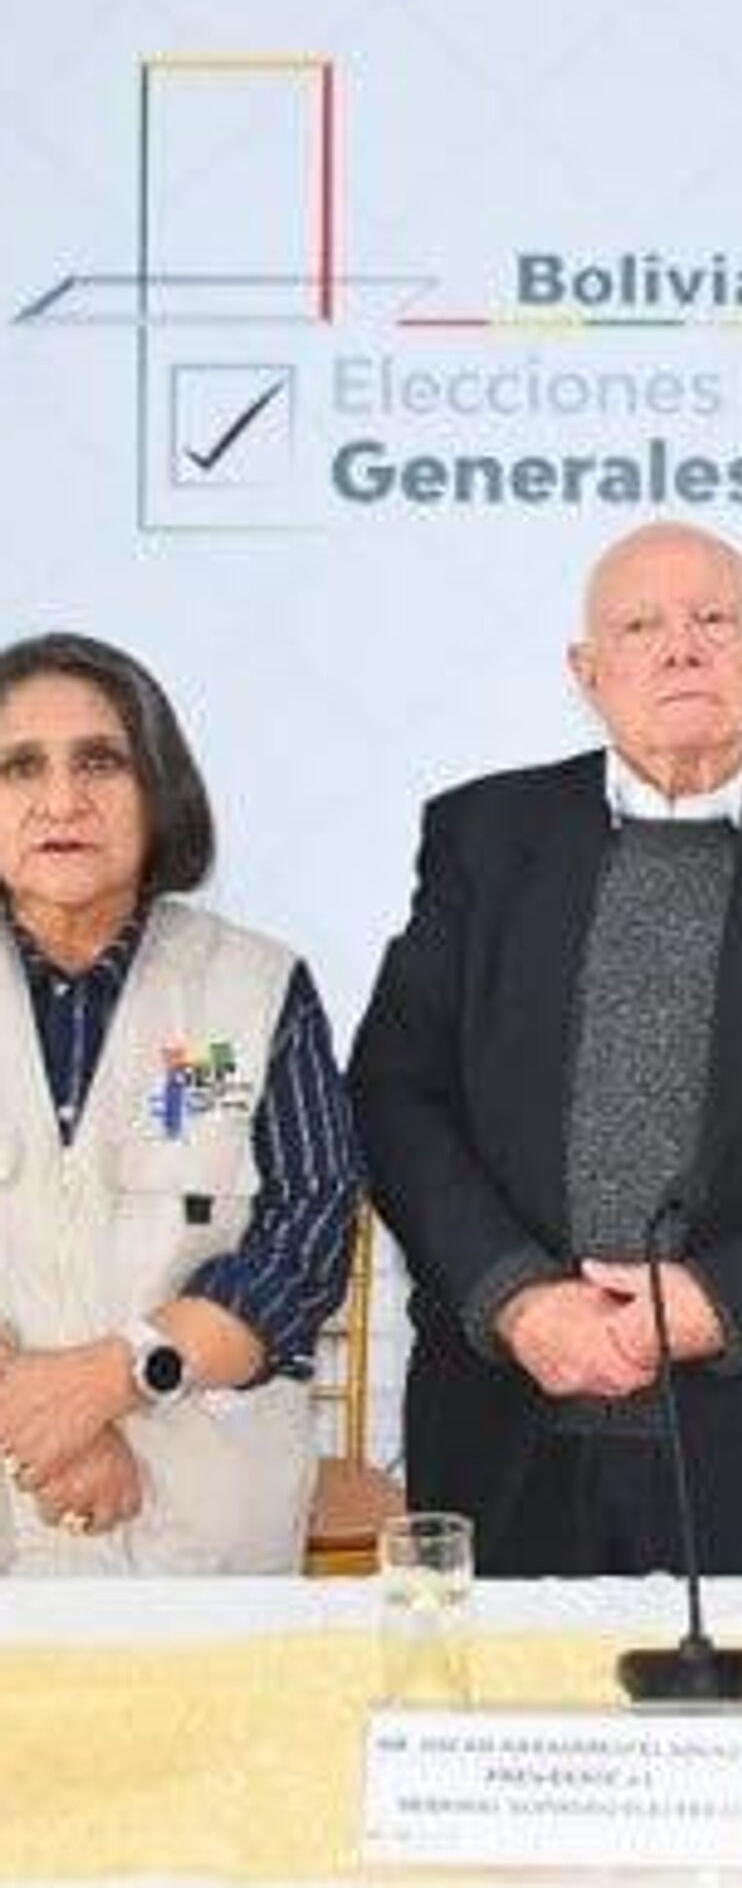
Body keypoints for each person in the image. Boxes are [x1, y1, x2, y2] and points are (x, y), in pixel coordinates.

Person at [350, 522, 742, 1577]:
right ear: (586, 671)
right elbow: (396, 1092)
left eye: (713, 620)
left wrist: (721, 1298)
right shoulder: (484, 836)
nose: (681, 647)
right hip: (509, 1420)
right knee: (512, 1689)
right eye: (640, 626)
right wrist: (514, 1297)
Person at [0, 632, 358, 1572]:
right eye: (20, 766)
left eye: (100, 762)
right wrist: (43, 1421)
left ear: (158, 791)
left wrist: (109, 1378)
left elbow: (306, 1238)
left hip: (202, 1525)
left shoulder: (254, 985)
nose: (61, 800)